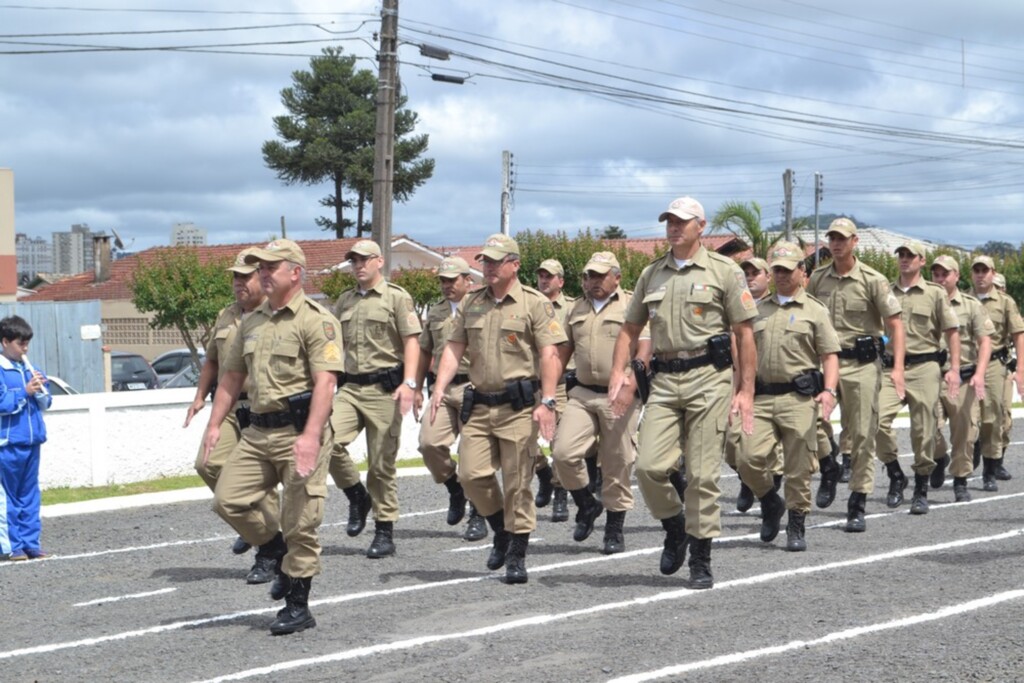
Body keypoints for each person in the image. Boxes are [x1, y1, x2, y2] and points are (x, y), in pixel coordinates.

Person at [610, 196, 758, 589]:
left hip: (710, 378)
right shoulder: (651, 274)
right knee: (649, 467)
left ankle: (701, 557)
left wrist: (745, 391)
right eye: (669, 222)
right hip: (665, 379)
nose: (673, 228)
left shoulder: (724, 271)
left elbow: (744, 334)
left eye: (681, 222)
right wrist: (617, 371)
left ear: (701, 226)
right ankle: (675, 525)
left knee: (703, 475)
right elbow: (629, 328)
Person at [202, 239, 342, 635]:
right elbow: (231, 377)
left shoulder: (317, 319)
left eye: (270, 267)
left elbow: (326, 383)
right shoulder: (252, 320)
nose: (262, 273)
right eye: (259, 267)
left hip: (300, 432)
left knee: (301, 522)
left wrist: (312, 436)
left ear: (294, 272)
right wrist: (215, 424)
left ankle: (299, 605)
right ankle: (273, 547)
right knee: (227, 499)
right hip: (257, 433)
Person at [429, 233, 566, 584]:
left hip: (519, 406)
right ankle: (500, 532)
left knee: (518, 483)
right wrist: (439, 388)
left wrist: (548, 401)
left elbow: (551, 353)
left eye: (495, 261)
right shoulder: (473, 302)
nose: (487, 267)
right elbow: (453, 348)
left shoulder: (535, 303)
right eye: (484, 261)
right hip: (479, 404)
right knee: (471, 476)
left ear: (514, 265)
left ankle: (517, 555)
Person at [734, 242, 840, 551]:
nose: (780, 275)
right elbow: (742, 354)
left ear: (802, 273)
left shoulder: (815, 311)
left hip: (798, 398)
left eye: (786, 269)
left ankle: (796, 523)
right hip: (762, 398)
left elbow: (830, 355)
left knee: (798, 469)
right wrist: (740, 391)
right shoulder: (757, 310)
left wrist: (829, 392)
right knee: (746, 457)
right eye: (776, 269)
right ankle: (769, 501)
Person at [183, 247, 280, 583]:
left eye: (245, 276)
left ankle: (266, 547)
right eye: (235, 277)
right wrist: (199, 396)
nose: (239, 282)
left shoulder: (274, 314)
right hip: (227, 406)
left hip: (261, 407)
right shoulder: (226, 315)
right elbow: (212, 360)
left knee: (259, 481)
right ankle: (259, 530)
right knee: (207, 464)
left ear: (262, 278)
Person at [806, 218, 905, 533]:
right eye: (832, 238)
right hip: (825, 364)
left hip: (861, 366)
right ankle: (829, 465)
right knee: (809, 421)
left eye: (842, 238)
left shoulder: (873, 280)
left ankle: (857, 502)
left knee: (863, 434)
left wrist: (898, 368)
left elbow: (895, 326)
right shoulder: (818, 278)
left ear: (854, 241)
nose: (836, 243)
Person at [552, 252, 651, 554]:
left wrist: (631, 383)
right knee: (563, 452)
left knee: (616, 461)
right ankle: (586, 504)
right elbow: (562, 352)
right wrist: (545, 393)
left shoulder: (633, 304)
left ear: (616, 277)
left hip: (618, 393)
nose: (592, 281)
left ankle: (614, 527)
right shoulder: (575, 308)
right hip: (581, 393)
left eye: (599, 275)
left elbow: (645, 346)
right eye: (588, 276)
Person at [327, 239, 421, 559]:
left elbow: (411, 342)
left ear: (379, 261)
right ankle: (357, 496)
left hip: (385, 391)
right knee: (327, 440)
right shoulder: (344, 301)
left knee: (381, 465)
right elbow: (333, 346)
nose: (358, 266)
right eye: (354, 260)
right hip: (350, 389)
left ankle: (384, 531)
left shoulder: (396, 297)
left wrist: (409, 383)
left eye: (365, 260)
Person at [874, 242, 961, 515]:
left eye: (910, 255)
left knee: (923, 429)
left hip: (925, 367)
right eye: (901, 255)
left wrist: (954, 369)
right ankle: (895, 474)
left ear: (921, 261)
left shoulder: (934, 293)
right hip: (890, 368)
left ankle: (921, 487)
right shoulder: (885, 290)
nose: (904, 259)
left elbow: (952, 331)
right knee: (874, 420)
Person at [414, 256, 487, 542]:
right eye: (442, 280)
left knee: (473, 457)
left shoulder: (481, 308)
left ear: (468, 280)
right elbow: (424, 351)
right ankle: (454, 489)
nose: (446, 285)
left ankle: (479, 514)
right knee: (429, 444)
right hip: (442, 388)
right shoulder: (436, 312)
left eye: (451, 280)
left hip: (475, 387)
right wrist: (417, 387)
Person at [930, 255, 991, 502]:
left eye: (945, 274)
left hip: (963, 377)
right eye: (936, 274)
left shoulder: (971, 305)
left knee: (964, 432)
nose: (941, 279)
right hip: (930, 376)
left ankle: (960, 480)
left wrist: (979, 374)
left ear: (956, 276)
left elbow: (984, 341)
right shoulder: (924, 302)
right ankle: (938, 457)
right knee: (926, 428)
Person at [727, 255, 783, 513]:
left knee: (766, 444)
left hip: (771, 384)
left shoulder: (777, 307)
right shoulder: (734, 305)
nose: (750, 277)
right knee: (731, 443)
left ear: (768, 277)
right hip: (739, 380)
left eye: (755, 273)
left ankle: (765, 489)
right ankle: (749, 480)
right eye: (746, 273)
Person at [969, 255, 1024, 491]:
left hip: (994, 365)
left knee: (993, 418)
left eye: (985, 270)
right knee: (965, 419)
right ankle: (963, 457)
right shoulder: (962, 300)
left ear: (992, 273)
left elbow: (1018, 334)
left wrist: (1021, 369)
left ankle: (990, 469)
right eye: (976, 270)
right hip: (966, 364)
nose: (980, 275)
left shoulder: (1005, 302)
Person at [0, 315, 52, 561]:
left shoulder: (32, 369)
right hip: (8, 445)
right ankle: (14, 546)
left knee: (30, 496)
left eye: (27, 343)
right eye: (20, 343)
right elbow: (2, 404)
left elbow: (47, 401)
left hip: (32, 443)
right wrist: (24, 391)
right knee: (9, 498)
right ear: (5, 342)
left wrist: (41, 391)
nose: (25, 348)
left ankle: (32, 543)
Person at [532, 258, 576, 522]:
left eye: (550, 276)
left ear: (561, 280)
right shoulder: (529, 304)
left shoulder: (571, 309)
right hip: (531, 381)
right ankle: (543, 473)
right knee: (522, 438)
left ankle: (560, 493)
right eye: (541, 276)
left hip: (561, 383)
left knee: (558, 440)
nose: (544, 280)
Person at [993, 273, 1016, 468]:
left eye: (998, 287)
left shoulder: (1009, 307)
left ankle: (998, 461)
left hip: (1004, 367)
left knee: (1005, 418)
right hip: (975, 369)